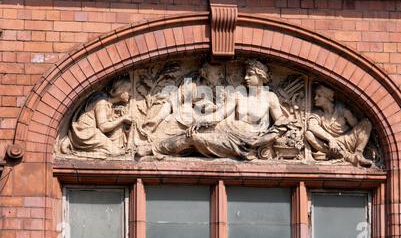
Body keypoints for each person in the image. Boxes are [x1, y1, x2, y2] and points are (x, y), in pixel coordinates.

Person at [158, 59, 290, 160]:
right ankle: (156, 146)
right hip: (225, 128)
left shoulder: (270, 97)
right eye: (245, 74)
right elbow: (220, 115)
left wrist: (263, 140)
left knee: (194, 139)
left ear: (261, 77)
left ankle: (157, 149)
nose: (245, 78)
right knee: (189, 133)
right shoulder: (239, 94)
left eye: (250, 75)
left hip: (243, 141)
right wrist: (202, 120)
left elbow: (282, 124)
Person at [60, 78, 133, 158]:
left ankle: (71, 141)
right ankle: (75, 150)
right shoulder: (102, 101)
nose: (131, 94)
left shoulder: (109, 104)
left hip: (89, 131)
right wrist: (123, 118)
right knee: (115, 152)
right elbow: (103, 127)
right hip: (86, 132)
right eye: (129, 90)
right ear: (121, 91)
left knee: (116, 151)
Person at [305, 84, 373, 167]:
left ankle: (358, 154)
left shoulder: (342, 111)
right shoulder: (318, 114)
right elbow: (312, 126)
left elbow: (357, 127)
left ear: (327, 98)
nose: (315, 98)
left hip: (347, 140)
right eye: (316, 95)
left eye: (319, 96)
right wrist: (331, 139)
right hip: (329, 145)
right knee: (308, 134)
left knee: (366, 123)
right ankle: (348, 157)